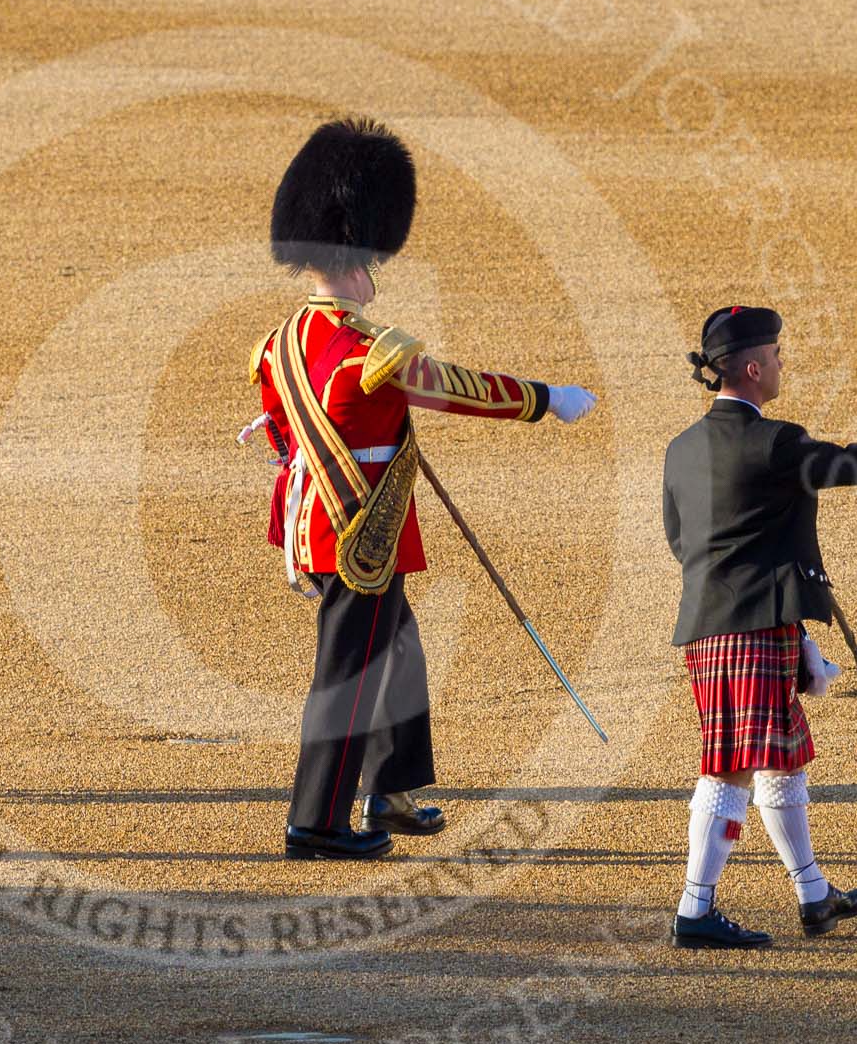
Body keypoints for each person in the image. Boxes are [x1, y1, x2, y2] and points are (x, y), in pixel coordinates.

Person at [250, 119, 599, 860]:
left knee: (397, 652)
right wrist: (546, 397)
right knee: (349, 674)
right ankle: (316, 821)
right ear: (360, 259)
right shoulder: (371, 351)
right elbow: (461, 389)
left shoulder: (280, 342)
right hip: (361, 531)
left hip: (321, 519)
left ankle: (393, 787)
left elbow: (283, 432)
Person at [661, 305, 857, 946]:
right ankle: (694, 910)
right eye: (776, 354)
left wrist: (792, 619)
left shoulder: (681, 449)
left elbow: (680, 541)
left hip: (716, 623)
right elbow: (851, 464)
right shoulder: (774, 441)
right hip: (750, 627)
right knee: (730, 772)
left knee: (778, 762)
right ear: (752, 367)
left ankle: (813, 895)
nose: (782, 364)